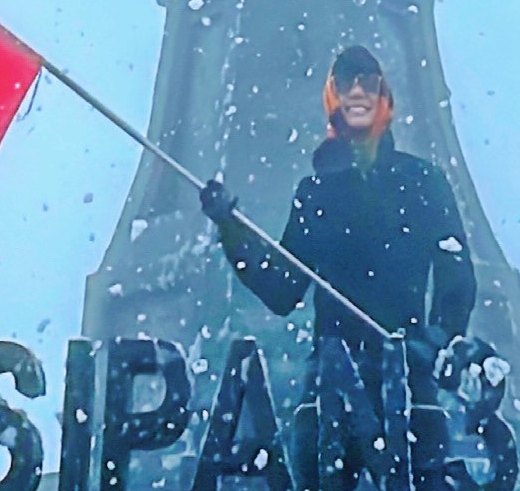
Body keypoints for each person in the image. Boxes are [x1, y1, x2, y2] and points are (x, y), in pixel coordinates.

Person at [199, 43, 476, 409]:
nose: (357, 92)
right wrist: (231, 229)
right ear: (333, 99)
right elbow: (283, 288)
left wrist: (438, 340)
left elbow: (456, 279)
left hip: (406, 381)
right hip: (331, 388)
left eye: (368, 82)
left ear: (384, 98)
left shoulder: (424, 182)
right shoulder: (316, 193)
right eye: (346, 83)